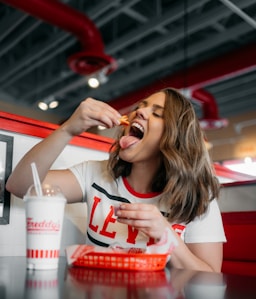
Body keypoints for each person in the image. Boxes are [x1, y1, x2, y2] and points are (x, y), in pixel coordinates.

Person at [6, 87, 226, 272]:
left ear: (176, 138)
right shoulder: (93, 174)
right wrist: (67, 130)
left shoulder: (199, 196)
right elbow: (19, 185)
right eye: (140, 106)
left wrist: (167, 235)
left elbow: (212, 278)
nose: (139, 112)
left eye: (157, 114)